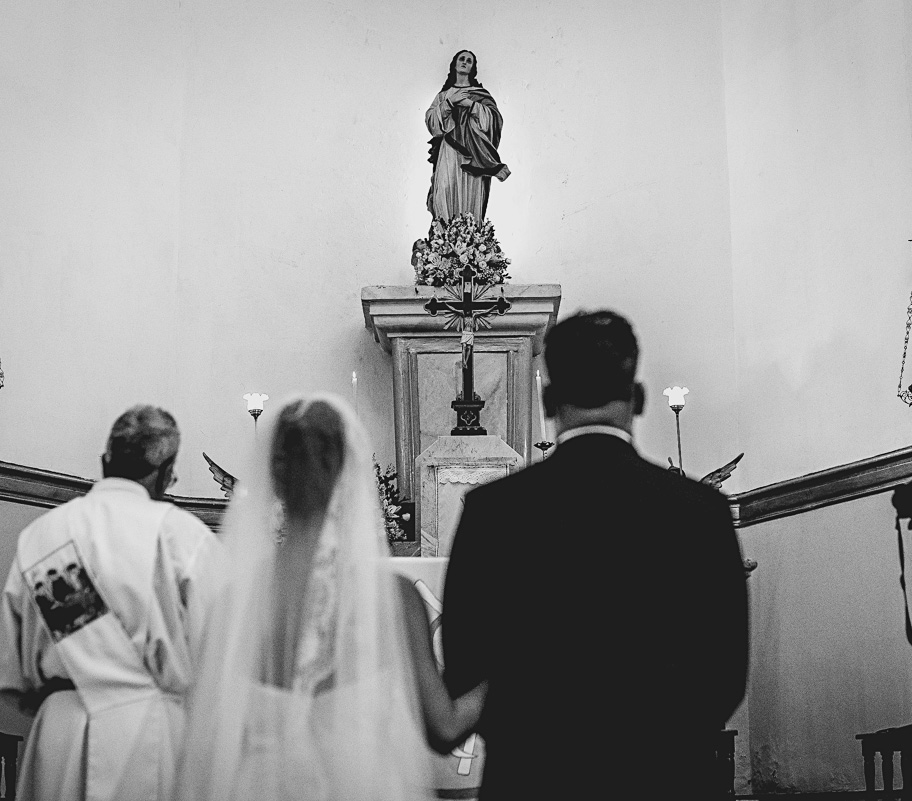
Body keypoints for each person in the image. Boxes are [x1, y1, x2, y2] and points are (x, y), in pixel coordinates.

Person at [442, 310, 750, 799]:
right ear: (641, 398)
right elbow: (725, 673)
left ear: (546, 400)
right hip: (664, 779)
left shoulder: (492, 511)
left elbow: (465, 668)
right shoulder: (699, 511)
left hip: (530, 778)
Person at [176, 394, 486, 801]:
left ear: (272, 474)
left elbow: (207, 740)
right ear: (348, 473)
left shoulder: (234, 605)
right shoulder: (393, 598)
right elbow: (444, 728)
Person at [0, 405, 217, 801]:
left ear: (104, 461)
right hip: (153, 737)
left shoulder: (43, 536)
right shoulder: (185, 537)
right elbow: (220, 659)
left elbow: (14, 675)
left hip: (59, 736)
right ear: (167, 473)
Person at [425, 50, 510, 224]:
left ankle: (470, 241)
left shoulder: (480, 94)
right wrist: (450, 102)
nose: (465, 62)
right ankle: (444, 242)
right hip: (449, 152)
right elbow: (432, 123)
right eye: (461, 59)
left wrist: (471, 105)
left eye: (469, 61)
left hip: (474, 155)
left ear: (473, 67)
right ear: (454, 64)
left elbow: (493, 121)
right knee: (445, 190)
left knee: (470, 194)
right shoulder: (443, 95)